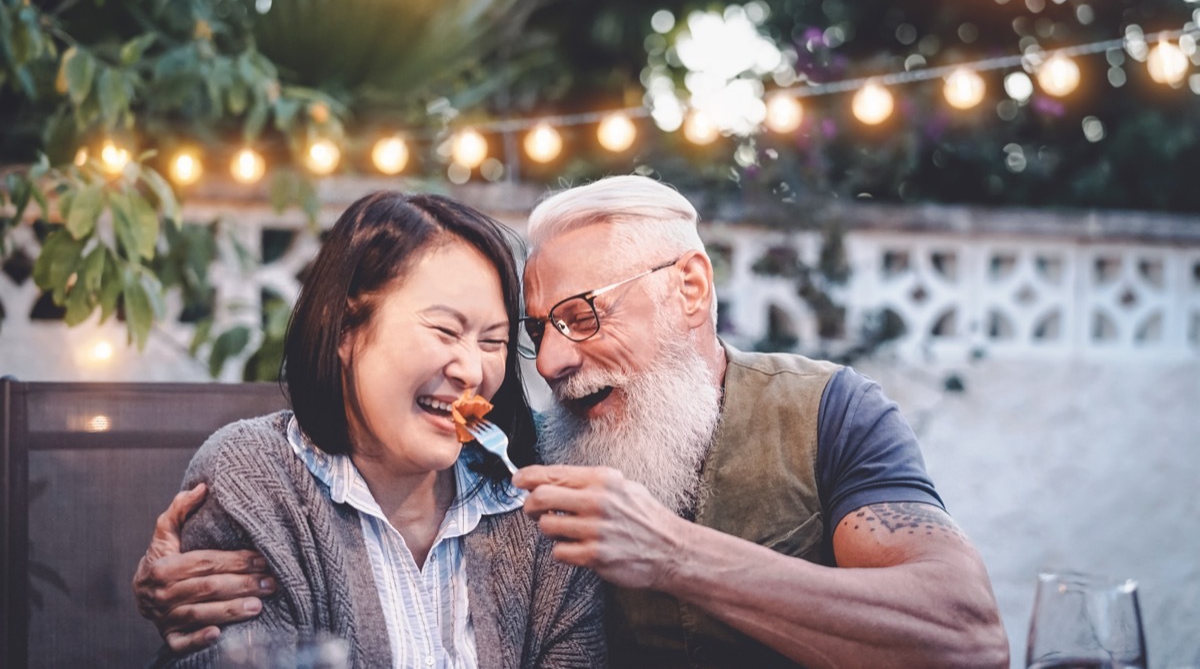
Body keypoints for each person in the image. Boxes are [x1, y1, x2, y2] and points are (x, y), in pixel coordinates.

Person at [135, 176, 1008, 667]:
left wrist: (672, 553)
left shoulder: (829, 412)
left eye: (582, 314)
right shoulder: (532, 468)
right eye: (539, 329)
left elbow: (967, 635)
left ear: (691, 289)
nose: (546, 362)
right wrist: (177, 609)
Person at [141, 190, 604, 668]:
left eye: (494, 341)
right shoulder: (254, 481)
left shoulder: (536, 508)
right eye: (445, 331)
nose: (472, 369)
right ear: (345, 328)